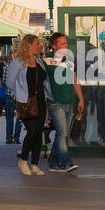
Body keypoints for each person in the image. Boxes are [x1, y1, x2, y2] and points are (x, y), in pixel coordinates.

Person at [7, 34, 49, 176]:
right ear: (29, 45)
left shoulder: (39, 61)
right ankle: (23, 160)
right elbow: (9, 82)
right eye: (37, 43)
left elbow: (45, 81)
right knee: (32, 131)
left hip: (41, 101)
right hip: (26, 102)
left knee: (38, 133)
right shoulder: (18, 62)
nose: (39, 46)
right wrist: (18, 95)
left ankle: (35, 164)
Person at [44, 32, 82, 173]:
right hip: (55, 103)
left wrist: (81, 99)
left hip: (69, 102)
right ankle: (66, 162)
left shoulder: (69, 63)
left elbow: (75, 81)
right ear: (53, 46)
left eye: (66, 43)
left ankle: (53, 162)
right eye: (61, 43)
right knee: (62, 133)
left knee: (63, 133)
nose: (65, 45)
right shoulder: (47, 61)